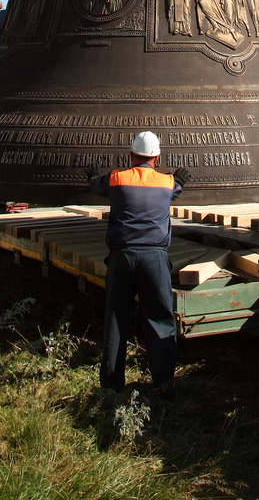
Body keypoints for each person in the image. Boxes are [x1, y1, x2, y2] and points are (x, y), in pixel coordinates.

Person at [86, 132, 190, 397]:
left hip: (122, 258)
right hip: (154, 260)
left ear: (131, 156)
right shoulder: (166, 183)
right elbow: (177, 188)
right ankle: (164, 385)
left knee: (115, 320)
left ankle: (111, 386)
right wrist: (178, 179)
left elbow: (96, 185)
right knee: (160, 321)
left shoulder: (117, 178)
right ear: (156, 158)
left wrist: (92, 176)